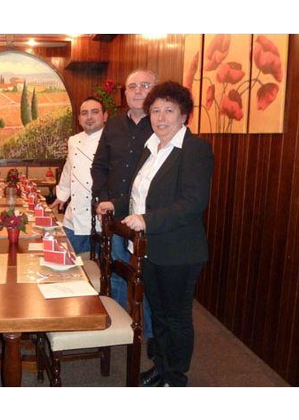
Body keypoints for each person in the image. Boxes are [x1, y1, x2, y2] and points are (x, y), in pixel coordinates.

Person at [121, 81, 214, 387]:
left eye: (169, 111)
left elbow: (192, 203)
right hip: (149, 249)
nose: (161, 117)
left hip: (179, 251)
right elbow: (140, 195)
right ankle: (161, 366)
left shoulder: (195, 149)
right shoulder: (151, 148)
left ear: (184, 115)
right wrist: (116, 205)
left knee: (176, 317)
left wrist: (146, 221)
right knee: (158, 313)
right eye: (156, 111)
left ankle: (175, 377)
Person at [91, 69, 157, 348]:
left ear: (155, 90)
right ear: (125, 93)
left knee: (146, 279)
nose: (138, 91)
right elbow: (99, 166)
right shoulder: (114, 125)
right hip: (115, 214)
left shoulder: (160, 124)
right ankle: (119, 329)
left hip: (147, 216)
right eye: (132, 86)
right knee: (117, 271)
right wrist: (103, 199)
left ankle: (150, 336)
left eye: (145, 85)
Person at [50, 97, 108, 253]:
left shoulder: (112, 140)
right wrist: (62, 195)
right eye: (84, 113)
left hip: (101, 216)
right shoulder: (74, 141)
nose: (89, 117)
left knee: (102, 263)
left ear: (105, 116)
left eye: (94, 112)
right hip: (75, 217)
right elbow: (69, 168)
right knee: (67, 257)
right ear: (79, 119)